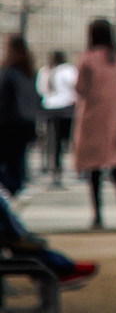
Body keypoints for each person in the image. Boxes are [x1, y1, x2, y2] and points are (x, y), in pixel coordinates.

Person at [73, 18, 116, 229]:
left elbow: (80, 88)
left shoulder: (87, 59)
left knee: (94, 169)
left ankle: (98, 216)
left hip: (93, 118)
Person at [0, 33, 38, 196]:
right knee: (18, 160)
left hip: (8, 122)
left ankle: (13, 188)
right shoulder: (29, 71)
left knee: (6, 161)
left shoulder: (8, 72)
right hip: (26, 122)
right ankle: (16, 188)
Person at [37, 49, 76, 183]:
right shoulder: (68, 70)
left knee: (52, 139)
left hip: (49, 107)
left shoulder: (45, 71)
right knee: (67, 139)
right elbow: (75, 86)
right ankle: (63, 167)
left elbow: (41, 89)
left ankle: (53, 166)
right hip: (66, 108)